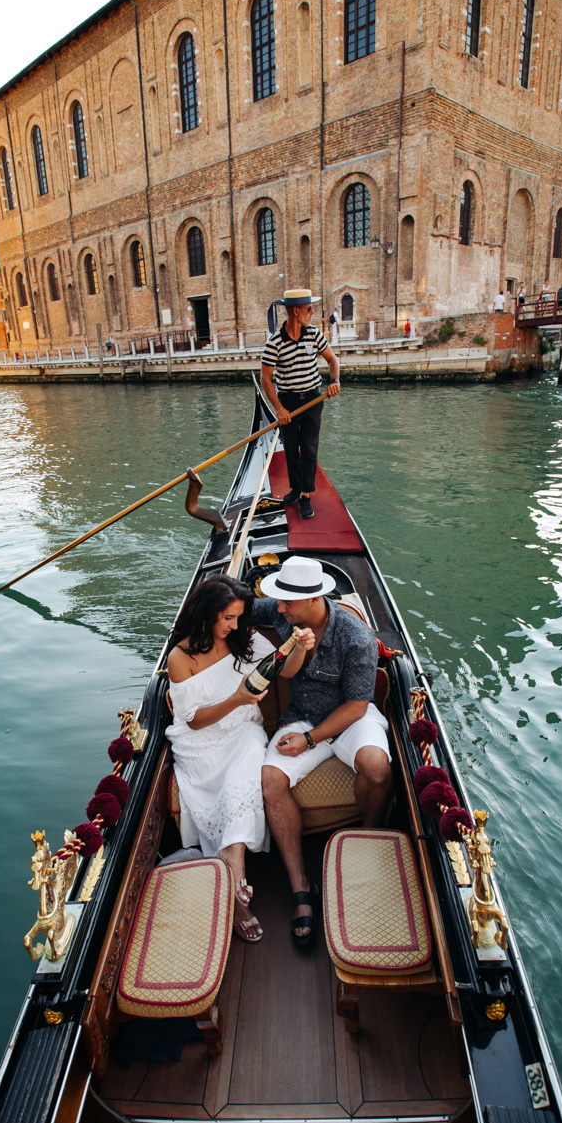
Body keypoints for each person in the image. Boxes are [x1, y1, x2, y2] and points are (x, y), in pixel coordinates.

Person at [252, 557, 392, 946]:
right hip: (302, 715)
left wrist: (311, 740)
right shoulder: (283, 612)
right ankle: (302, 887)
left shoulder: (356, 638)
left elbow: (358, 705)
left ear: (314, 599)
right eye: (278, 601)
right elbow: (244, 603)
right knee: (270, 778)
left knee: (377, 766)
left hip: (348, 718)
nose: (279, 608)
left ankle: (367, 842)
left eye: (287, 603)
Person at [166, 575, 312, 943]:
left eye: (238, 617)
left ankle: (233, 864)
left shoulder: (242, 638)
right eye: (228, 618)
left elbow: (286, 669)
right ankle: (234, 874)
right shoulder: (180, 657)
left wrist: (300, 644)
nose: (234, 625)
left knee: (250, 737)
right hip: (200, 742)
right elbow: (193, 721)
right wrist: (236, 698)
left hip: (242, 731)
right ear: (206, 614)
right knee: (245, 742)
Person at [261, 289, 340, 521]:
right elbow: (266, 378)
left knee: (308, 448)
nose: (313, 313)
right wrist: (278, 408)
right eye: (309, 309)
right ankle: (295, 488)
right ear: (296, 311)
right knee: (290, 449)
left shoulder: (314, 334)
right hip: (288, 403)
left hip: (314, 400)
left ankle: (305, 494)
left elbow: (332, 360)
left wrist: (334, 380)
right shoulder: (274, 343)